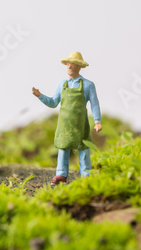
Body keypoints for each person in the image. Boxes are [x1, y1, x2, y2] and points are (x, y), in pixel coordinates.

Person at [32, 51, 102, 185]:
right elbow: (53, 103)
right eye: (68, 64)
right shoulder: (61, 84)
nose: (69, 66)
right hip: (64, 125)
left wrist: (97, 121)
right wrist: (40, 96)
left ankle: (86, 175)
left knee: (83, 149)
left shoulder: (88, 85)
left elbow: (95, 104)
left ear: (79, 66)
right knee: (63, 149)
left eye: (73, 64)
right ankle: (61, 175)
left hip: (81, 125)